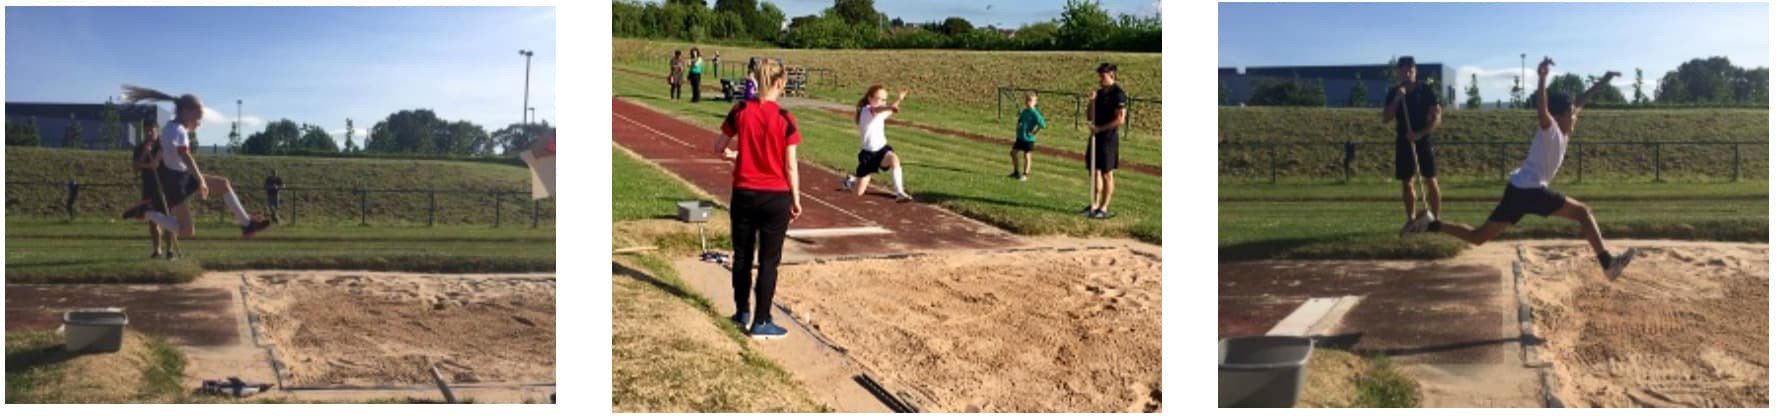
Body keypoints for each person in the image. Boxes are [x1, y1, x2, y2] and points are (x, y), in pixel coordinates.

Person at [1403, 57, 1638, 279]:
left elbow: (1581, 101)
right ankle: (1608, 264)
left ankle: (1432, 224)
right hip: (1531, 190)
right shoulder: (1550, 128)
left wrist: (1604, 80)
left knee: (1479, 237)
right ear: (1559, 116)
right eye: (1570, 115)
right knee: (1583, 213)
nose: (1575, 117)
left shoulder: (1564, 125)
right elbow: (1542, 108)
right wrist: (1542, 78)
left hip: (1517, 189)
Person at [711, 58, 802, 339]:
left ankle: (742, 312)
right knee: (768, 261)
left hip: (744, 193)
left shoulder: (739, 110)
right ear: (779, 83)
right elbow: (789, 165)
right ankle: (762, 321)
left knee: (742, 256)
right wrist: (796, 199)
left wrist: (735, 155)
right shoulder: (785, 118)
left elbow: (718, 147)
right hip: (775, 196)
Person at [121, 85, 272, 240]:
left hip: (180, 176)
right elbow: (185, 156)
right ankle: (147, 212)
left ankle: (247, 225)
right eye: (197, 117)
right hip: (176, 182)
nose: (198, 122)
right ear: (185, 111)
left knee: (223, 184)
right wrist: (201, 181)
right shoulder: (177, 130)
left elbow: (167, 154)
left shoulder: (172, 128)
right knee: (187, 231)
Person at [1383, 56, 1443, 230]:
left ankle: (1436, 220)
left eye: (1410, 69)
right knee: (1406, 181)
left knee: (1431, 180)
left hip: (1423, 140)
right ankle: (1412, 220)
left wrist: (1421, 133)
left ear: (1415, 70)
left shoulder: (1426, 90)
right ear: (1399, 72)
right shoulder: (1394, 92)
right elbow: (1386, 118)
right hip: (1404, 141)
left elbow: (1437, 117)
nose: (1407, 73)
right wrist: (1396, 99)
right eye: (1403, 70)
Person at [839, 86, 913, 203]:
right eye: (879, 99)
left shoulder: (881, 111)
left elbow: (889, 109)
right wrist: (889, 106)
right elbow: (877, 110)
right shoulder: (867, 110)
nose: (882, 102)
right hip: (868, 155)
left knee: (894, 160)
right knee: (858, 193)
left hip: (882, 150)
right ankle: (851, 182)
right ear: (870, 98)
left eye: (884, 100)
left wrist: (899, 99)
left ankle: (899, 192)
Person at [1083, 63, 1127, 219]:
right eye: (1099, 75)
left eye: (1103, 75)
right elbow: (1089, 116)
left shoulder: (1118, 94)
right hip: (1096, 136)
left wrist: (1101, 129)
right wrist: (1091, 101)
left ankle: (1104, 207)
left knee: (1107, 173)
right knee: (1094, 170)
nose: (1100, 79)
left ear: (1112, 75)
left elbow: (1120, 120)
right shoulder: (1099, 93)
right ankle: (1093, 204)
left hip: (1108, 138)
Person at [127, 119, 175, 258]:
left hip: (165, 187)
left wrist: (147, 164)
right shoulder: (139, 148)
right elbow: (135, 167)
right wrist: (144, 153)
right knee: (153, 220)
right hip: (149, 188)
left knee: (168, 219)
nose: (149, 133)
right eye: (146, 131)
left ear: (157, 130)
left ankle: (170, 250)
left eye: (151, 130)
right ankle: (157, 250)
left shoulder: (164, 145)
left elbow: (156, 165)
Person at [1009, 91, 1047, 181]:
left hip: (1028, 139)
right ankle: (1016, 172)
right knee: (1013, 153)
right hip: (1020, 137)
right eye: (1027, 100)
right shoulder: (1024, 111)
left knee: (1027, 155)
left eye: (1031, 101)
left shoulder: (1035, 113)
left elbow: (1043, 125)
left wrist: (1034, 132)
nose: (1028, 102)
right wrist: (1019, 126)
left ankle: (1025, 174)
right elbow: (1020, 121)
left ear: (1035, 102)